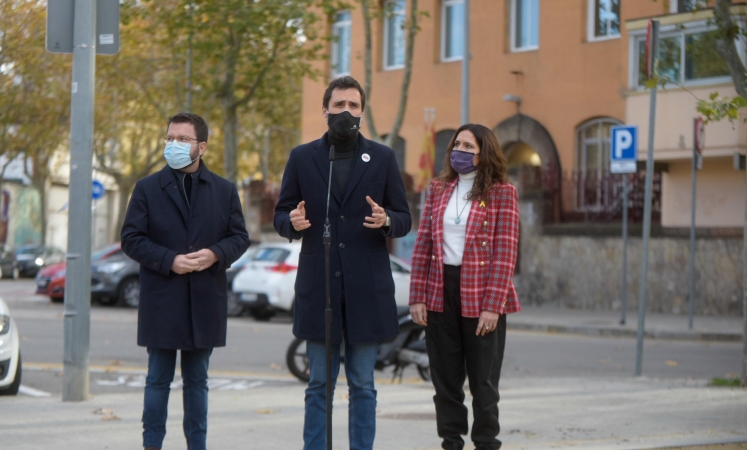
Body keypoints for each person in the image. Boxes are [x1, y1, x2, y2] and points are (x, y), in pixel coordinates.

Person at [274, 76, 412, 450]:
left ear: (362, 113)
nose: (346, 112)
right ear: (325, 110)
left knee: (363, 386)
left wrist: (387, 220)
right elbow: (281, 213)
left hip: (368, 290)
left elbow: (404, 216)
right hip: (320, 290)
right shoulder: (303, 157)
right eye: (339, 105)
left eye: (353, 105)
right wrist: (293, 223)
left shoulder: (382, 157)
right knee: (319, 384)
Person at [121, 112, 250, 450]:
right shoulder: (147, 188)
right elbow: (131, 238)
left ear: (202, 147)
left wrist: (215, 254)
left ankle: (197, 445)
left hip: (205, 298)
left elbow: (239, 237)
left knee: (197, 382)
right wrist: (169, 260)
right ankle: (152, 445)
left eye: (182, 139)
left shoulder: (224, 190)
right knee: (157, 380)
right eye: (169, 138)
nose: (173, 145)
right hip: (162, 297)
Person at [409, 124, 521, 450]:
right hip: (439, 290)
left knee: (483, 382)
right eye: (457, 144)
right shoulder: (438, 189)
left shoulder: (501, 193)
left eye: (468, 146)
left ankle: (486, 442)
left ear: (484, 152)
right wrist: (417, 296)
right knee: (445, 380)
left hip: (482, 292)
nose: (460, 150)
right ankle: (451, 442)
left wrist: (493, 305)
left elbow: (505, 252)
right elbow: (424, 244)